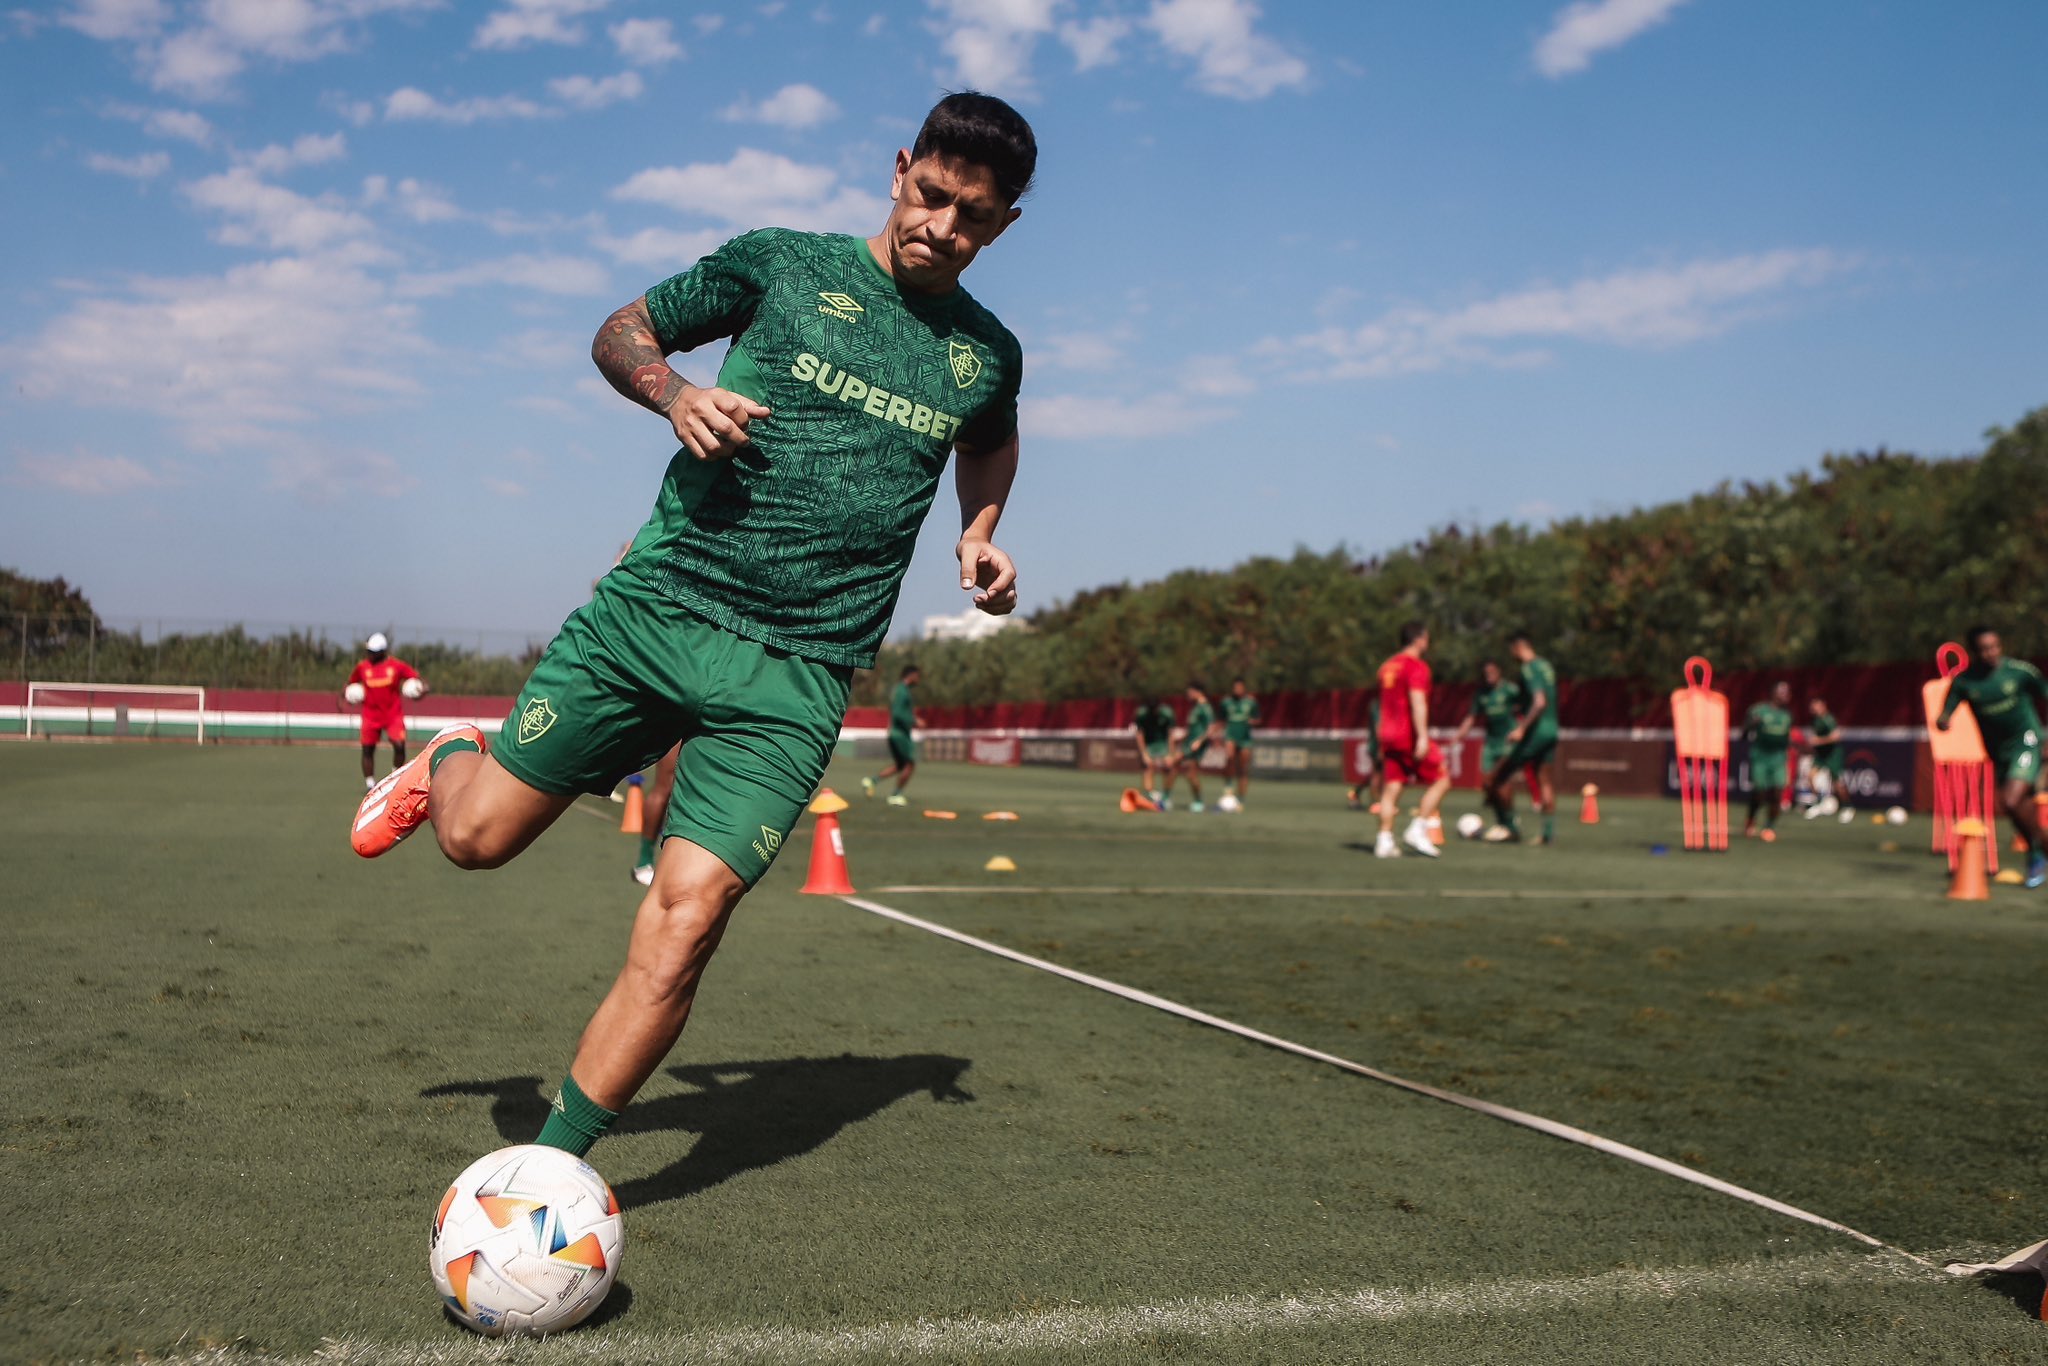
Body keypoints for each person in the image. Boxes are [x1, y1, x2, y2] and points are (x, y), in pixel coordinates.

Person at [349, 92, 1035, 1159]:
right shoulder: (777, 263)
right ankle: (445, 761)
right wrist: (673, 394)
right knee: (475, 840)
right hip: (657, 612)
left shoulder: (986, 352)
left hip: (798, 677)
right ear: (900, 168)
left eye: (973, 217)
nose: (942, 229)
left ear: (1003, 226)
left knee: (686, 920)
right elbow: (621, 329)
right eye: (933, 195)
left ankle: (544, 1177)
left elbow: (987, 440)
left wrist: (978, 530)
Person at [1936, 626, 2048, 887]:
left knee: (2010, 800)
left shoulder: (2020, 672)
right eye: (1984, 649)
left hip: (2026, 741)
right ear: (1974, 651)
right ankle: (2037, 853)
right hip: (1998, 751)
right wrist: (1943, 721)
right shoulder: (1965, 681)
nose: (1991, 653)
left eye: (1994, 647)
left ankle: (2040, 852)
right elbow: (1946, 711)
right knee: (2018, 807)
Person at [1374, 622, 1450, 858]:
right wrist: (1423, 737)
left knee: (1393, 787)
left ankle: (1384, 841)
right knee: (1442, 779)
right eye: (1426, 638)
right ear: (1418, 640)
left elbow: (1382, 705)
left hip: (1387, 734)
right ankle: (1418, 828)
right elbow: (1418, 702)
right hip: (1407, 734)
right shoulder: (1416, 667)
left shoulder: (1386, 667)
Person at [1484, 632, 1559, 844]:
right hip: (1552, 729)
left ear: (1518, 647)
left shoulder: (1529, 668)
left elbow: (1540, 702)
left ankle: (1509, 828)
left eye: (1511, 650)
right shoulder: (1546, 665)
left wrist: (1521, 729)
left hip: (1536, 731)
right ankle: (1548, 834)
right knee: (1544, 780)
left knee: (1498, 776)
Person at [342, 632, 425, 790]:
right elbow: (349, 683)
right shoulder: (363, 667)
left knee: (399, 745)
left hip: (393, 714)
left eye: (372, 652)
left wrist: (422, 690)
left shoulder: (396, 666)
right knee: (368, 749)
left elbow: (418, 679)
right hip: (370, 715)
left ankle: (395, 778)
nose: (369, 655)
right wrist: (344, 698)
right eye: (368, 651)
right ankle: (370, 784)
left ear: (382, 652)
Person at [1452, 658, 1517, 835]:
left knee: (1502, 782)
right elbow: (1472, 717)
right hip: (1491, 742)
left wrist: (1522, 730)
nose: (1489, 677)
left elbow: (1525, 708)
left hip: (1508, 741)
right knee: (1488, 783)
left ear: (1499, 672)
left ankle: (1510, 824)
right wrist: (1459, 735)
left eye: (1492, 673)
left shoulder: (1510, 690)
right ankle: (1502, 821)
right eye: (1486, 674)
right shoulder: (1481, 694)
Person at [1742, 680, 1794, 842]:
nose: (1786, 695)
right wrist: (1752, 724)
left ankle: (1769, 826)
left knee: (1778, 792)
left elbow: (1786, 738)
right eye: (1782, 691)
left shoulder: (1787, 715)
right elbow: (1743, 733)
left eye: (1787, 692)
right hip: (1761, 756)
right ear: (1773, 693)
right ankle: (1751, 819)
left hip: (1779, 757)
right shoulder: (1758, 710)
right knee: (1759, 792)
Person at [863, 664, 920, 806]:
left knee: (901, 765)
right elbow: (899, 713)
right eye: (917, 676)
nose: (919, 679)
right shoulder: (902, 691)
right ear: (911, 675)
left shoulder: (900, 689)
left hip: (895, 732)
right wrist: (915, 721)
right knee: (910, 764)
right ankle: (896, 795)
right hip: (899, 733)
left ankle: (872, 781)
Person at [1165, 681, 1220, 813]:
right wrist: (1181, 737)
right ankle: (1166, 798)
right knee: (1175, 767)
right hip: (1188, 744)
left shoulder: (1205, 708)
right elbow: (1193, 729)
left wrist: (1199, 742)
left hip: (1196, 746)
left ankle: (1198, 801)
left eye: (1189, 692)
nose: (1188, 695)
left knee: (1188, 773)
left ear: (1197, 692)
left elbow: (1211, 728)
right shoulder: (1195, 707)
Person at [1803, 697, 1852, 822]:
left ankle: (1847, 807)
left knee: (1837, 782)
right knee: (1810, 776)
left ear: (1823, 706)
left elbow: (1836, 737)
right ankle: (1819, 802)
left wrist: (1819, 741)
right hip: (1821, 755)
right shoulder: (1815, 720)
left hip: (1833, 754)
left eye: (1816, 706)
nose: (1814, 709)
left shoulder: (1828, 719)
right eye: (1812, 707)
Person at [1220, 678, 1262, 805]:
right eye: (1235, 688)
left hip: (1245, 738)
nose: (1237, 690)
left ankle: (1241, 798)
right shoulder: (1226, 702)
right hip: (1231, 735)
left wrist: (1252, 722)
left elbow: (1258, 719)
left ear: (1244, 688)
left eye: (1239, 687)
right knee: (1230, 758)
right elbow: (1220, 720)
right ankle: (1228, 787)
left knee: (1243, 768)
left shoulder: (1251, 702)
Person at [1131, 693, 1177, 808]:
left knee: (1169, 767)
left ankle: (1166, 796)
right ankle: (1149, 796)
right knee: (1148, 766)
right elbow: (1139, 734)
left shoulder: (1167, 713)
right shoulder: (1141, 714)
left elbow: (1170, 734)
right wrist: (1144, 753)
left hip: (1163, 743)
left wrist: (1171, 753)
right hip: (1149, 743)